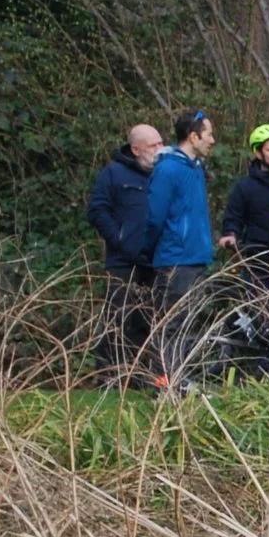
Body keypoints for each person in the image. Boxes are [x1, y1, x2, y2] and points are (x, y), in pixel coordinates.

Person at [145, 109, 219, 385]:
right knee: (172, 322)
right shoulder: (168, 169)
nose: (212, 140)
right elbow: (155, 217)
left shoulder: (194, 168)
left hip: (196, 257)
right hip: (175, 258)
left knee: (188, 322)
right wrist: (152, 250)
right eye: (208, 134)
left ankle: (179, 377)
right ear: (193, 136)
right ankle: (164, 381)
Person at [85, 123, 161, 382]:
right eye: (153, 145)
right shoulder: (113, 174)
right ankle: (108, 375)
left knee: (146, 319)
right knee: (117, 318)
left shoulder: (162, 174)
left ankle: (141, 375)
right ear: (135, 148)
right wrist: (119, 238)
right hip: (122, 261)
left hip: (155, 260)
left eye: (161, 143)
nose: (159, 150)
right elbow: (97, 210)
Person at [218, 123, 269, 277]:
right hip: (258, 262)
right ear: (258, 153)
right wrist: (231, 233)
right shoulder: (245, 186)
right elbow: (234, 215)